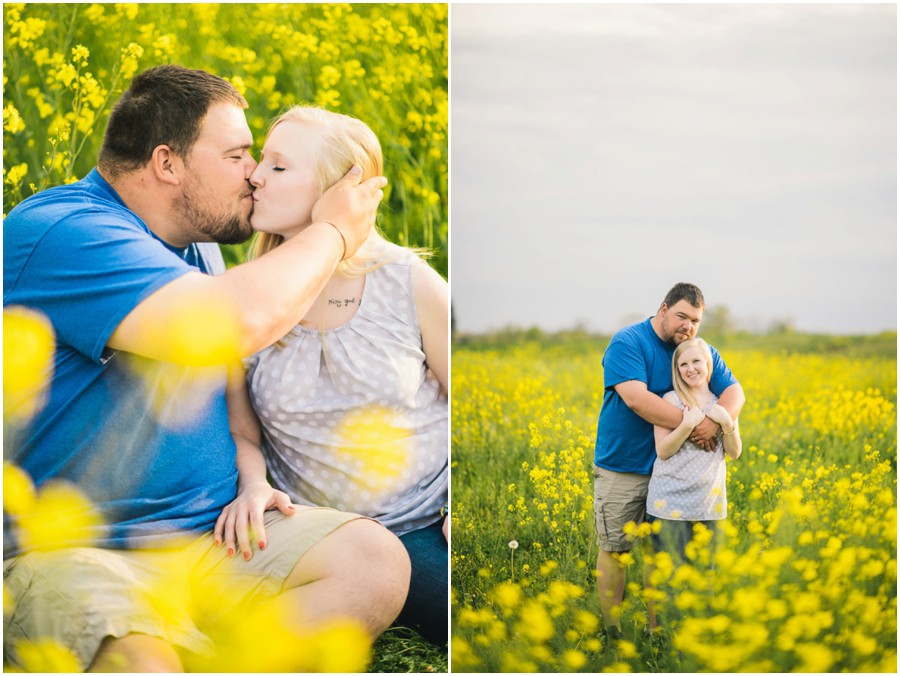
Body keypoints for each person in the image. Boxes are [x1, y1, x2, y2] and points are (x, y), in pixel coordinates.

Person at [3, 65, 410, 672]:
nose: (252, 173)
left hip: (213, 537)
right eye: (237, 154)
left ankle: (207, 650)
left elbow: (228, 394)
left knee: (374, 564)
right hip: (81, 550)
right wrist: (333, 230)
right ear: (167, 164)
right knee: (140, 662)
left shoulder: (198, 242)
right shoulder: (63, 233)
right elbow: (228, 323)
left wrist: (251, 479)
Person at [215, 106, 449, 645]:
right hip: (319, 533)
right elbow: (243, 431)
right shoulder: (247, 296)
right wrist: (253, 487)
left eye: (278, 167)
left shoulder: (408, 282)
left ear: (338, 189)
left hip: (421, 519)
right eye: (260, 162)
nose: (254, 175)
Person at [592, 282, 745, 637]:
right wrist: (696, 427)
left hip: (676, 477)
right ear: (663, 309)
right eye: (681, 316)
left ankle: (655, 633)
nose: (687, 326)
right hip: (626, 466)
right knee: (616, 548)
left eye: (695, 320)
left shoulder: (698, 351)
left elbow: (735, 391)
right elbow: (636, 399)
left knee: (660, 557)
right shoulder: (628, 342)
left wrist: (717, 421)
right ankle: (611, 631)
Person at [644, 337, 742, 628]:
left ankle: (701, 636)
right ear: (677, 370)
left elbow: (734, 452)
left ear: (709, 366)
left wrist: (727, 423)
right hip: (669, 502)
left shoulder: (721, 404)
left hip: (709, 505)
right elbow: (663, 450)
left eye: (696, 361)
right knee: (669, 576)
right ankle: (663, 638)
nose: (690, 368)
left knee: (705, 575)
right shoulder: (670, 400)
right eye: (683, 364)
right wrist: (686, 424)